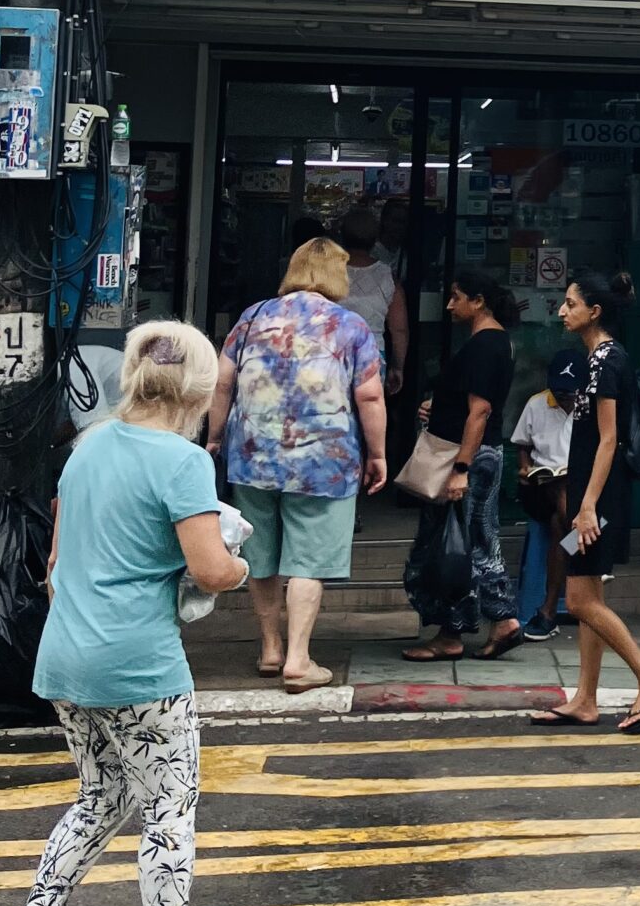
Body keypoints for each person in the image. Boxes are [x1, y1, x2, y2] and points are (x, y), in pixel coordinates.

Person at [0, 323, 248, 906]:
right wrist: (238, 564)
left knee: (98, 799)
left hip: (67, 658)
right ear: (200, 389)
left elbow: (54, 567)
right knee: (170, 808)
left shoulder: (86, 449)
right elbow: (206, 569)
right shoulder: (183, 462)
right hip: (139, 663)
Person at [208, 236, 386, 695]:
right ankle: (298, 659)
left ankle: (269, 647)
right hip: (322, 464)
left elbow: (222, 382)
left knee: (261, 554)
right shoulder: (351, 327)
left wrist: (213, 437)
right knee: (307, 561)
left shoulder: (253, 317)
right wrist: (379, 453)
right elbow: (368, 395)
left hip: (252, 459)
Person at [535, 271, 640, 734]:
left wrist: (588, 505)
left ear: (594, 312)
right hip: (588, 495)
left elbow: (610, 440)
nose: (562, 310)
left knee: (577, 600)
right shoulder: (595, 359)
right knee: (588, 593)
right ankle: (585, 700)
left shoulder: (608, 361)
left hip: (598, 499)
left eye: (570, 303)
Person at [402, 270, 524, 663]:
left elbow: (480, 411)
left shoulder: (486, 345)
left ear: (479, 301)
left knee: (456, 543)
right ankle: (484, 623)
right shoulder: (490, 343)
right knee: (469, 542)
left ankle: (461, 630)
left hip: (469, 456)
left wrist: (461, 468)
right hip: (473, 452)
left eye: (457, 297)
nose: (451, 305)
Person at [513, 348, 581, 642]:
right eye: (560, 393)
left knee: (560, 524)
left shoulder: (592, 407)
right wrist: (525, 469)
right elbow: (522, 447)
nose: (565, 399)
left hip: (582, 498)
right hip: (541, 490)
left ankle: (548, 612)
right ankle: (585, 554)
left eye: (570, 394)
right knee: (562, 492)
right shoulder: (537, 404)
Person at [338, 204, 410, 399]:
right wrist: (398, 366)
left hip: (331, 354)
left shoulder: (328, 273)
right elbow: (399, 329)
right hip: (371, 357)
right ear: (375, 236)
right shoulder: (387, 277)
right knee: (368, 417)